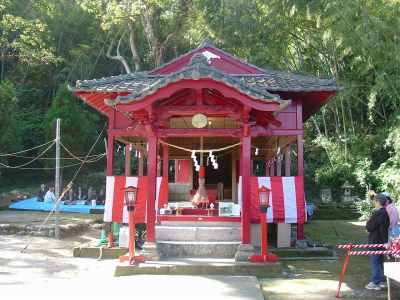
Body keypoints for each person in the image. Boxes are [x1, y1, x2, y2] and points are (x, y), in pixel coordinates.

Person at [365, 193, 390, 291]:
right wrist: (385, 241)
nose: (374, 203)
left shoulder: (378, 213)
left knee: (375, 261)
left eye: (375, 201)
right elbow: (383, 228)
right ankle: (382, 280)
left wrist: (368, 223)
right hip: (382, 240)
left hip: (375, 240)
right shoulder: (386, 212)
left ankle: (375, 281)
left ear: (378, 202)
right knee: (380, 261)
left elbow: (370, 226)